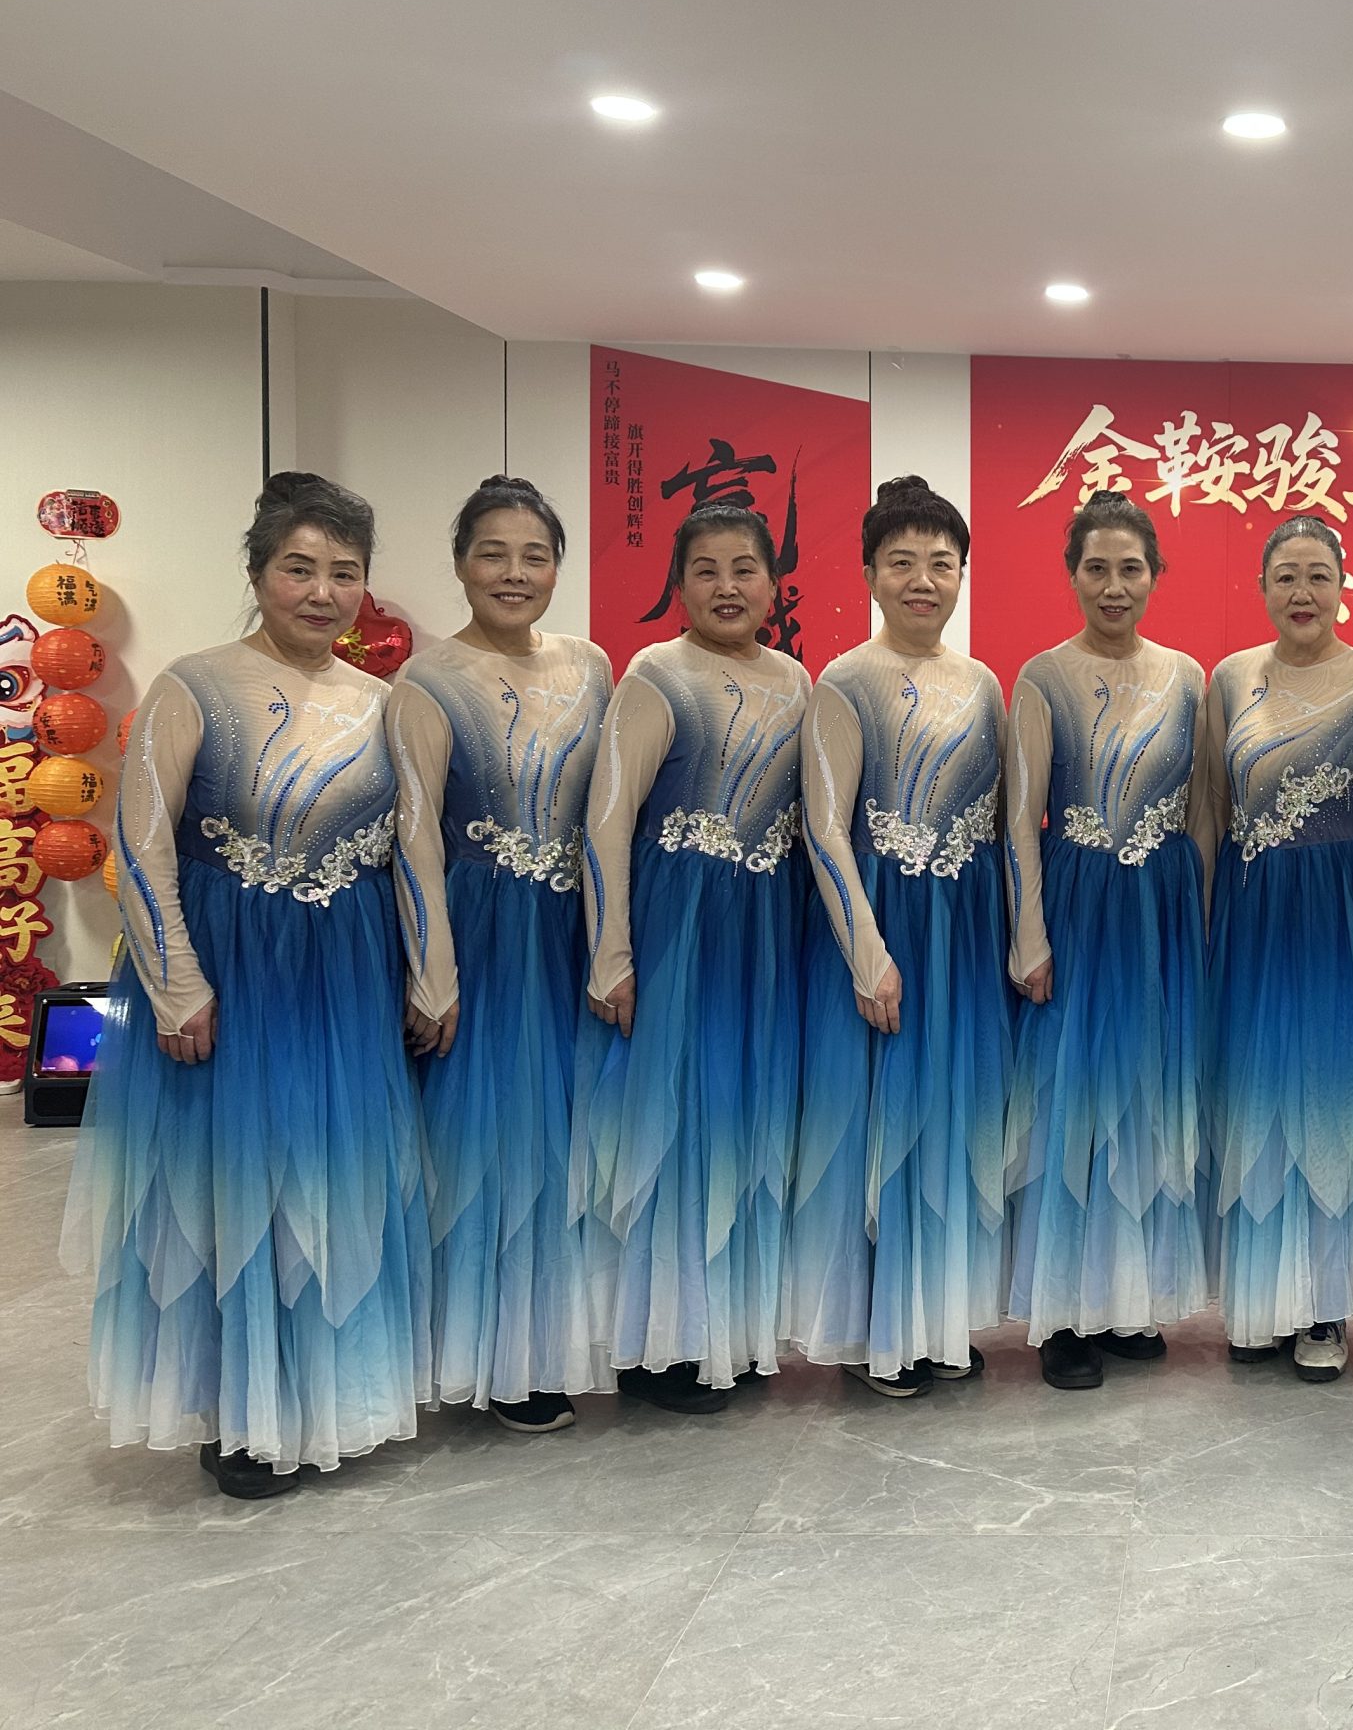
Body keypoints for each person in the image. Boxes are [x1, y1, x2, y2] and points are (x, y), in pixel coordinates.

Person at [62, 471, 427, 1499]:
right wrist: (176, 983)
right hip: (229, 969)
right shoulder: (195, 684)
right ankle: (242, 1414)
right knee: (236, 1184)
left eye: (344, 573)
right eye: (299, 569)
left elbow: (410, 854)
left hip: (344, 975)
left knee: (332, 1176)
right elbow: (140, 844)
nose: (322, 592)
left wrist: (425, 975)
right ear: (259, 572)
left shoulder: (385, 704)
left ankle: (329, 1396)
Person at [389, 475, 613, 1435]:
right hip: (483, 935)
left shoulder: (592, 665)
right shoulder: (427, 681)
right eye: (493, 554)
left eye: (535, 556)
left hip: (574, 929)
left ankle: (550, 1341)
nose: (514, 574)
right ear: (460, 564)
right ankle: (494, 1361)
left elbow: (611, 814)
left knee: (569, 1138)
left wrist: (614, 943)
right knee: (489, 1147)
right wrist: (433, 974)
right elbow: (413, 838)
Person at [576, 504, 810, 1412]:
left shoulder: (796, 681)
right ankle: (658, 1346)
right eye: (706, 570)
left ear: (774, 583)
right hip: (678, 927)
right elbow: (607, 820)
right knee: (671, 1125)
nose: (727, 587)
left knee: (743, 1120)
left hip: (762, 930)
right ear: (678, 584)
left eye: (744, 568)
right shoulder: (655, 674)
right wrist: (612, 952)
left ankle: (728, 1333)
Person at [788, 476, 1007, 1397]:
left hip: (964, 932)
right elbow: (823, 828)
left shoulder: (985, 683)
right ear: (870, 573)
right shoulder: (845, 681)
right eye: (902, 562)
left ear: (962, 575)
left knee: (946, 1123)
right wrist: (867, 953)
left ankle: (933, 1319)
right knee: (876, 1124)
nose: (923, 580)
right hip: (880, 928)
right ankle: (877, 1333)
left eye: (941, 564)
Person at [1003, 491, 1212, 1390]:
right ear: (1073, 575)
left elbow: (1203, 816)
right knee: (1072, 1103)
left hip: (1159, 909)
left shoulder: (1189, 677)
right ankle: (1063, 1316)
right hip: (1078, 907)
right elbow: (1020, 820)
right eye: (1097, 568)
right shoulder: (1042, 677)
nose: (1115, 586)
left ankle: (1126, 1300)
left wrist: (1199, 918)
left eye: (1131, 569)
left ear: (1156, 575)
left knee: (1143, 1096)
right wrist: (1030, 932)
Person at [1198, 516, 1353, 1382]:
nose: (1302, 593)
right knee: (1255, 1095)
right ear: (1261, 587)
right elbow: (1210, 815)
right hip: (1253, 913)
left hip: (1336, 914)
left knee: (1327, 1098)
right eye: (1286, 576)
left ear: (1343, 586)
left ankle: (1323, 1305)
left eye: (1318, 575)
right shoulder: (1229, 679)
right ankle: (1260, 1298)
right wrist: (1204, 921)